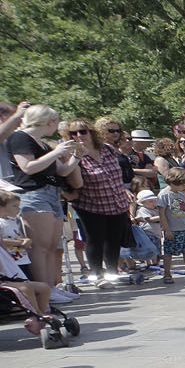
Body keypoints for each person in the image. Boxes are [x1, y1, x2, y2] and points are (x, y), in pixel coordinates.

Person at [6, 103, 81, 297]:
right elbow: (28, 167)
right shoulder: (19, 138)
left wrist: (77, 157)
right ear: (50, 121)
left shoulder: (42, 144)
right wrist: (57, 152)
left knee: (51, 246)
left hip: (52, 193)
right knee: (40, 246)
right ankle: (43, 291)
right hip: (33, 193)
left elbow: (63, 171)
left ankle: (51, 288)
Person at [70, 116, 134, 288]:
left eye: (83, 131)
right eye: (73, 133)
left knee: (113, 240)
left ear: (91, 132)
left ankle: (112, 272)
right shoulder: (73, 155)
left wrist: (124, 190)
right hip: (91, 204)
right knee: (95, 240)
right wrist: (75, 157)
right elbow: (73, 180)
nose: (79, 135)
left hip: (116, 201)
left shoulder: (107, 149)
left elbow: (118, 173)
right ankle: (97, 275)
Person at [157, 168, 185, 284]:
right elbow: (162, 214)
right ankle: (167, 274)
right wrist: (167, 230)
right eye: (182, 184)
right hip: (173, 229)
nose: (184, 187)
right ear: (174, 182)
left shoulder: (180, 194)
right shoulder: (164, 195)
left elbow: (183, 211)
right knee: (169, 253)